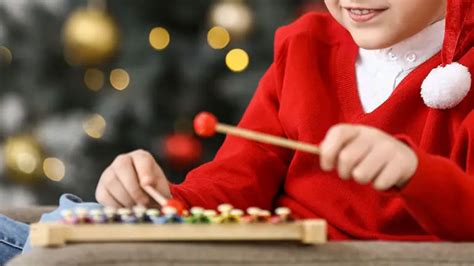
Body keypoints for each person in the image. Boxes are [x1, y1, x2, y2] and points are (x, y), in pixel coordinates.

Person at [1, 0, 473, 264]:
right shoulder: (306, 47)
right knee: (64, 225)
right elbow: (237, 176)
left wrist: (415, 173)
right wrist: (164, 197)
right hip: (259, 249)